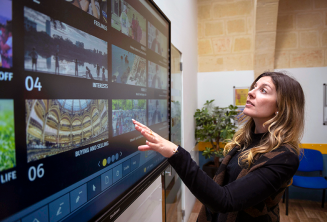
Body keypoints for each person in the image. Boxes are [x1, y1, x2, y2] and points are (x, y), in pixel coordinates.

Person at [133, 72, 304, 222]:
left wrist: (175, 153)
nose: (251, 92)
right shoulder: (244, 141)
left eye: (263, 90)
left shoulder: (284, 157)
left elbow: (225, 200)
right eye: (254, 87)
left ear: (281, 108)